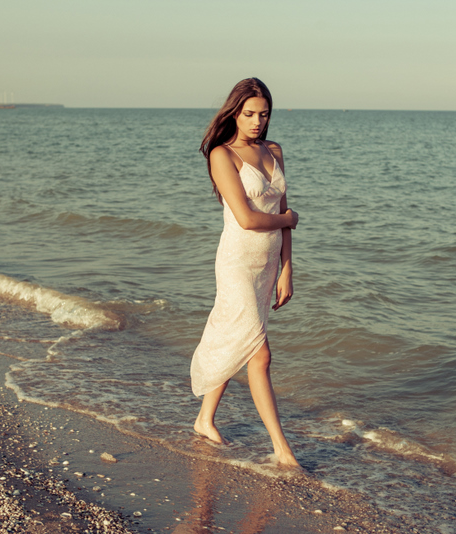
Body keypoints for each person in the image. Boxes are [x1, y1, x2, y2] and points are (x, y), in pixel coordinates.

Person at [191, 78, 300, 467]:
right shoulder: (223, 155)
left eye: (264, 114)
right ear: (234, 112)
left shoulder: (274, 150)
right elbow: (249, 218)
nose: (257, 121)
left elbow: (282, 214)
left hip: (268, 263)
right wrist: (290, 218)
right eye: (249, 113)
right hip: (237, 261)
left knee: (234, 336)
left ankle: (205, 419)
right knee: (259, 353)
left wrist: (287, 268)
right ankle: (282, 449)